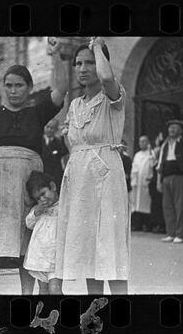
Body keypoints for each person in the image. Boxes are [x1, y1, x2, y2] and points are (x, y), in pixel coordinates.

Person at [0, 37, 68, 295]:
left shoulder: (36, 113)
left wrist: (57, 55)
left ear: (29, 88)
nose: (12, 90)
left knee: (26, 240)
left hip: (26, 184)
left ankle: (26, 298)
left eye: (19, 85)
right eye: (8, 85)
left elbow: (61, 89)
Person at [54, 37, 129, 295]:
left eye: (90, 62)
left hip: (106, 175)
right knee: (87, 251)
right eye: (78, 63)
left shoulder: (112, 95)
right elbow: (73, 145)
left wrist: (97, 45)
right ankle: (94, 314)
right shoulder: (74, 105)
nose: (83, 68)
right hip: (79, 180)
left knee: (110, 246)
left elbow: (107, 78)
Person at [157, 103, 183, 244]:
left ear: (180, 130)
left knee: (180, 206)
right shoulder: (164, 145)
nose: (171, 129)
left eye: (175, 127)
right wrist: (159, 181)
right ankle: (170, 233)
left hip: (180, 177)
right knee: (167, 207)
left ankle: (180, 234)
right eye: (170, 127)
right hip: (166, 178)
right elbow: (160, 165)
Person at [23, 171, 60, 295]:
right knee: (43, 290)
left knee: (55, 289)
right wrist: (36, 212)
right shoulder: (38, 210)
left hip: (56, 258)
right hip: (40, 258)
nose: (42, 199)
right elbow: (29, 223)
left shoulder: (64, 207)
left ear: (53, 187)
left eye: (43, 194)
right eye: (38, 198)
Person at [130, 135, 156, 232]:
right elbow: (134, 168)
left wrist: (150, 151)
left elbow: (153, 163)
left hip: (146, 182)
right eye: (140, 141)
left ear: (148, 142)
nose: (142, 143)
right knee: (136, 204)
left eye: (144, 141)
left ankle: (147, 225)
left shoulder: (151, 153)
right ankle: (138, 225)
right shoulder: (137, 154)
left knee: (146, 204)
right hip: (137, 183)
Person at [41, 118, 69, 192]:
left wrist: (62, 138)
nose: (49, 130)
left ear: (56, 130)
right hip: (43, 172)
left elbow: (64, 152)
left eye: (52, 128)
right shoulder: (39, 140)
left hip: (55, 174)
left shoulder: (58, 142)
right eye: (48, 127)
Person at [149, 133, 166, 233]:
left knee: (158, 204)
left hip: (158, 178)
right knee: (156, 204)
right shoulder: (156, 150)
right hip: (155, 178)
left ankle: (160, 224)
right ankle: (157, 224)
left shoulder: (160, 150)